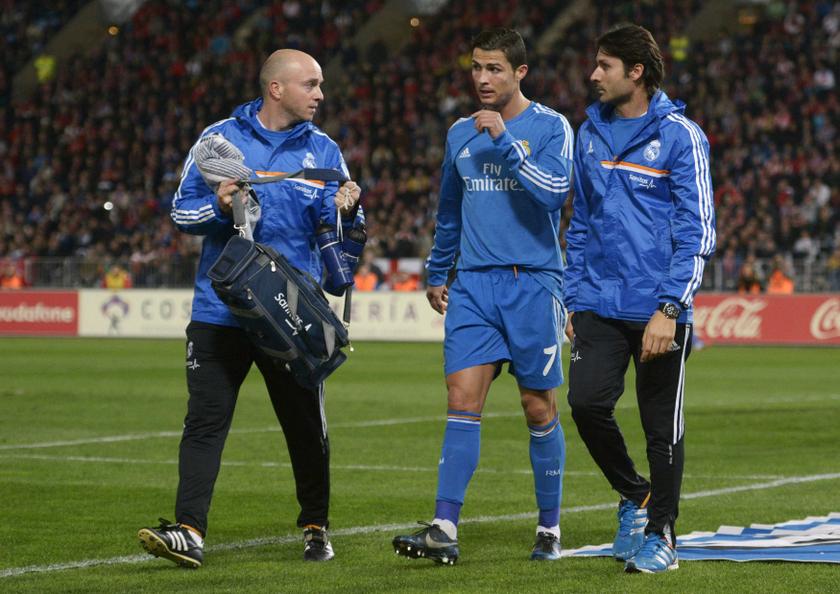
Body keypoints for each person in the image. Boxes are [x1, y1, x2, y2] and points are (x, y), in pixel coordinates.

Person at [137, 49, 362, 568]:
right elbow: (181, 211)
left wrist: (346, 209)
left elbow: (340, 227)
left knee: (304, 425)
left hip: (289, 312)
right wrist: (217, 206)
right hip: (221, 310)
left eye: (321, 84)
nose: (321, 94)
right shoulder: (218, 140)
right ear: (276, 89)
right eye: (311, 84)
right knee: (205, 420)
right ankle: (189, 531)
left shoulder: (325, 150)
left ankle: (315, 526)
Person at [392, 29, 573, 564]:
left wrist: (507, 145)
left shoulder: (549, 127)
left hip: (533, 282)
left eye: (494, 69)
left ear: (520, 72)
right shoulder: (458, 135)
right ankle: (444, 526)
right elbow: (450, 209)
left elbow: (554, 193)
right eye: (476, 67)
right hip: (472, 284)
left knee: (536, 406)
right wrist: (437, 268)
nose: (482, 79)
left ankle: (549, 527)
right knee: (461, 399)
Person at [564, 24, 715, 574]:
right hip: (599, 304)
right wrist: (574, 299)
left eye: (604, 65)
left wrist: (670, 308)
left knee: (660, 428)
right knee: (585, 403)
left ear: (636, 72)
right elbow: (580, 224)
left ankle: (663, 536)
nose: (593, 75)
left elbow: (697, 232)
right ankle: (635, 494)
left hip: (659, 310)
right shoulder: (590, 133)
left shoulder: (681, 136)